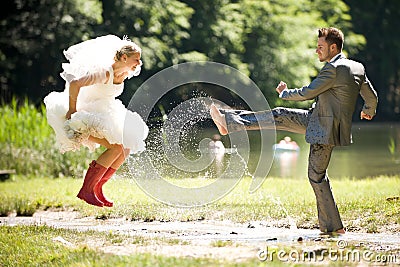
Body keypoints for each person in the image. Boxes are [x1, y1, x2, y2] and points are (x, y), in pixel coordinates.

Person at [210, 27, 378, 234]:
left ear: (333, 47)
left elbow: (309, 91)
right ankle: (230, 122)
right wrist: (368, 110)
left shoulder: (333, 68)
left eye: (320, 47)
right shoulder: (357, 67)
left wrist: (285, 92)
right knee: (279, 116)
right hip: (322, 122)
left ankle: (334, 228)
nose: (317, 51)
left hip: (323, 127)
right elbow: (371, 96)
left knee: (316, 176)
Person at [44, 35, 149, 207]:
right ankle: (87, 189)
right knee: (116, 147)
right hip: (87, 114)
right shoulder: (104, 73)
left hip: (107, 110)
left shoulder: (124, 73)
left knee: (126, 148)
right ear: (124, 57)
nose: (139, 63)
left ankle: (98, 187)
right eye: (136, 59)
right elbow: (75, 84)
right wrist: (72, 110)